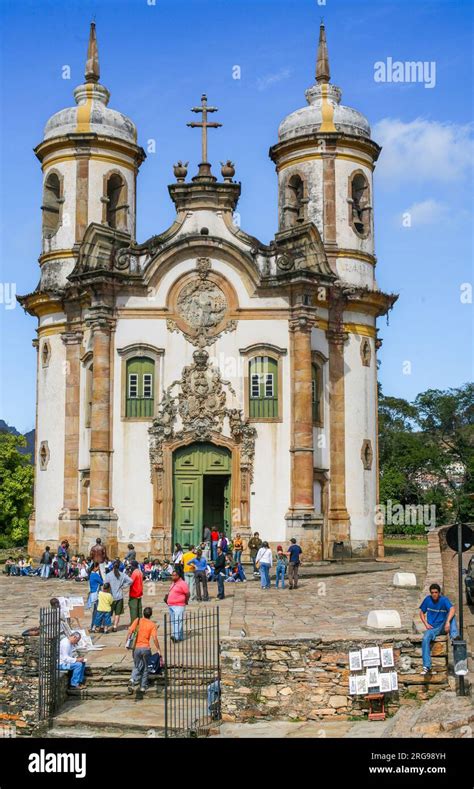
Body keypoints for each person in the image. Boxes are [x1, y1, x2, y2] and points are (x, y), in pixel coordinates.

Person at [419, 583, 459, 674]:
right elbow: (421, 612)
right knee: (425, 638)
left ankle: (454, 637)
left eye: (436, 592)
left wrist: (447, 622)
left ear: (439, 593)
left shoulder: (444, 600)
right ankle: (426, 666)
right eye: (432, 592)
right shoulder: (427, 600)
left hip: (443, 627)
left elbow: (452, 609)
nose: (434, 594)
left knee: (451, 615)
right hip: (432, 629)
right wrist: (425, 623)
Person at [127, 606, 161, 693]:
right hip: (146, 648)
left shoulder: (137, 620)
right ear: (151, 615)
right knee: (146, 667)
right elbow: (154, 638)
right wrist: (158, 649)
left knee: (137, 665)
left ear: (143, 613)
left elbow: (130, 631)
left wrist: (127, 643)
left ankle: (132, 679)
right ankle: (143, 686)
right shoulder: (152, 625)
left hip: (136, 648)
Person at [105, 559, 133, 631]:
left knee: (108, 613)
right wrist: (123, 586)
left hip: (110, 596)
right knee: (117, 613)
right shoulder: (122, 575)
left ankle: (106, 627)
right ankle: (115, 627)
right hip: (119, 596)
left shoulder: (108, 575)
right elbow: (131, 581)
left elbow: (105, 584)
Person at [166, 569, 190, 641]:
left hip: (179, 605)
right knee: (174, 621)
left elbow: (187, 593)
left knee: (178, 621)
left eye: (174, 575)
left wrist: (186, 601)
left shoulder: (183, 583)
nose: (172, 577)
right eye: (172, 575)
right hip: (171, 605)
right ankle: (180, 636)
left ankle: (176, 637)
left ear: (178, 576)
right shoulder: (173, 583)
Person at [86, 562, 103, 630]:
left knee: (95, 611)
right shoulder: (95, 575)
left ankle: (93, 626)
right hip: (96, 595)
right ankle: (94, 626)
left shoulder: (91, 574)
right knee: (97, 611)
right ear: (95, 567)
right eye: (98, 567)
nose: (99, 568)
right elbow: (102, 582)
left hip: (92, 594)